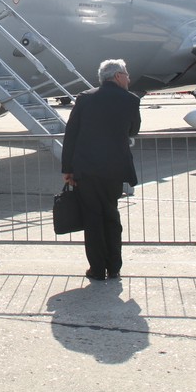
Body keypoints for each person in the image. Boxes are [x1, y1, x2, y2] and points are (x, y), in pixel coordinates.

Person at [61, 59, 141, 281]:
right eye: (126, 74)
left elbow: (71, 135)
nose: (128, 78)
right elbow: (133, 130)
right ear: (117, 76)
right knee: (111, 215)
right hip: (114, 170)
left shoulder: (85, 98)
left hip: (86, 169)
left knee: (92, 219)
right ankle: (114, 266)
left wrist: (67, 168)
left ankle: (97, 269)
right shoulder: (131, 100)